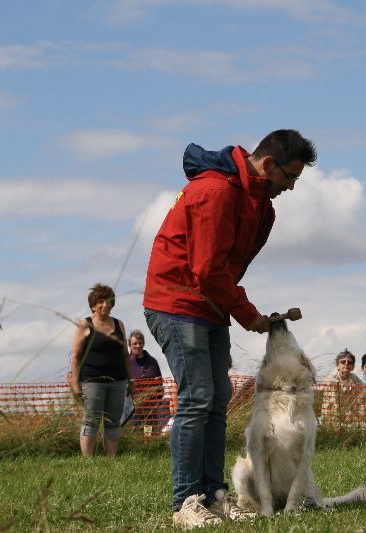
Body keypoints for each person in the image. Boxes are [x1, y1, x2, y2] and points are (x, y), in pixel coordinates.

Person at [142, 129, 317, 527]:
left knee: (217, 398)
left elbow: (225, 266)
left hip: (209, 306)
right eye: (289, 176)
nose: (291, 187)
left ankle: (214, 495)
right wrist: (246, 312)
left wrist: (235, 307)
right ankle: (186, 503)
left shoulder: (259, 207)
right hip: (176, 302)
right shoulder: (216, 191)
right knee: (197, 398)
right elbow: (206, 268)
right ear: (268, 163)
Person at [69, 283, 134, 458]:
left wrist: (131, 381)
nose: (105, 305)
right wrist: (76, 384)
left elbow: (126, 355)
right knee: (91, 421)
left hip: (118, 381)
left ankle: (110, 460)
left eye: (109, 301)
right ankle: (88, 461)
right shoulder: (85, 325)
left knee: (113, 422)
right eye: (101, 301)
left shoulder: (119, 324)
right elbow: (75, 357)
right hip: (92, 381)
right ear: (93, 305)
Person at [124, 329, 168, 435]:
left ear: (143, 344)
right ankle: (134, 443)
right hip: (132, 409)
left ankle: (147, 443)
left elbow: (160, 384)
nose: (138, 346)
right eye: (135, 343)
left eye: (140, 343)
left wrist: (156, 401)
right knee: (134, 433)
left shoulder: (152, 362)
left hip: (150, 408)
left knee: (148, 434)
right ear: (129, 345)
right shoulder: (126, 363)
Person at [321, 350, 366, 426]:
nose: (346, 364)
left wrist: (355, 418)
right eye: (343, 362)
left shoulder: (358, 382)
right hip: (333, 422)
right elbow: (327, 408)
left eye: (350, 362)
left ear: (353, 367)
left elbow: (363, 405)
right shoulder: (330, 382)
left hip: (354, 422)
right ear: (337, 365)